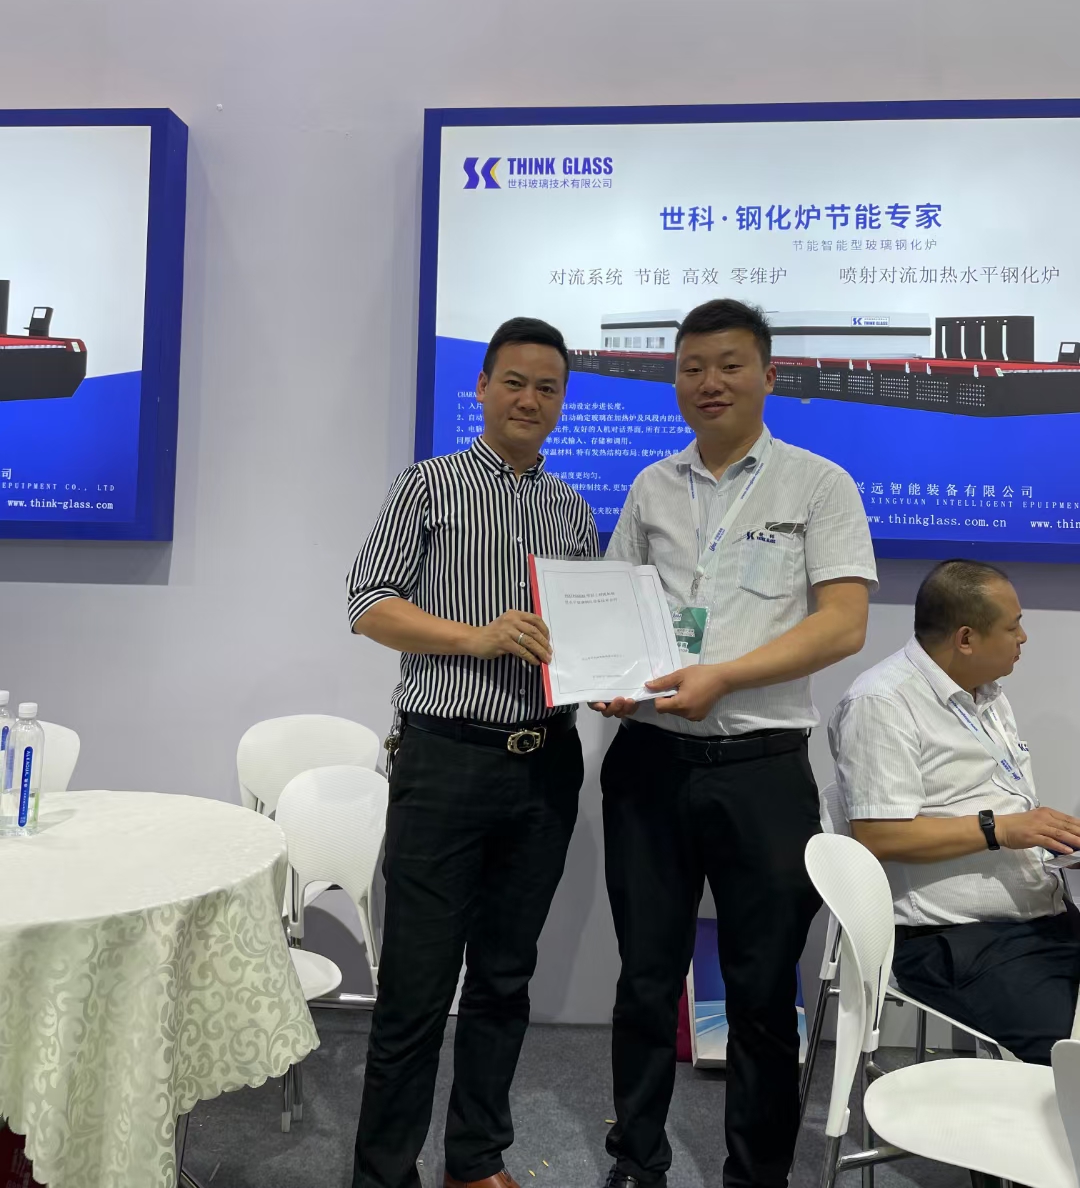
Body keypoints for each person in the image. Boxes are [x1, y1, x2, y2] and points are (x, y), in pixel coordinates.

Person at [595, 298, 878, 1188]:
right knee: (646, 977)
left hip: (762, 771)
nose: (709, 382)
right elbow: (614, 611)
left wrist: (724, 675)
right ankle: (637, 1159)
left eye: (728, 365)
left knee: (761, 990)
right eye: (692, 367)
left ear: (768, 374)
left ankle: (757, 1175)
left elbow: (842, 624)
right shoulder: (652, 486)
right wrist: (605, 674)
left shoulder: (818, 485)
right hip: (648, 766)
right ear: (675, 378)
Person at [347, 317, 599, 1188]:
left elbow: (584, 637)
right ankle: (384, 1173)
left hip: (546, 764)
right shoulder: (429, 486)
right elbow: (368, 604)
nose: (530, 399)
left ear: (562, 402)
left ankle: (475, 1159)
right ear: (483, 387)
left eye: (547, 388)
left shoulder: (572, 510)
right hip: (446, 759)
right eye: (514, 382)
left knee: (504, 978)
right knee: (416, 988)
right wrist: (475, 636)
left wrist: (610, 678)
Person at [830, 558, 1080, 1065]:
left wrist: (1052, 838)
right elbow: (878, 836)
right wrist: (1001, 829)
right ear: (966, 638)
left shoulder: (986, 694)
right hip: (954, 940)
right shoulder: (882, 703)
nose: (1023, 638)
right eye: (1013, 626)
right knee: (1070, 1051)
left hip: (1042, 920)